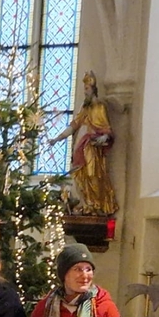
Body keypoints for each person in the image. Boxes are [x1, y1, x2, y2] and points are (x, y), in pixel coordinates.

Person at [49, 71, 118, 216]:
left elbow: (106, 128)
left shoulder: (100, 107)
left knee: (93, 175)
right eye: (84, 89)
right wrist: (57, 139)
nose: (85, 92)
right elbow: (74, 126)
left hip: (93, 147)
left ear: (93, 89)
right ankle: (87, 203)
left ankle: (96, 204)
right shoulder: (84, 109)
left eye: (87, 89)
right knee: (80, 175)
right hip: (81, 147)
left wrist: (104, 137)